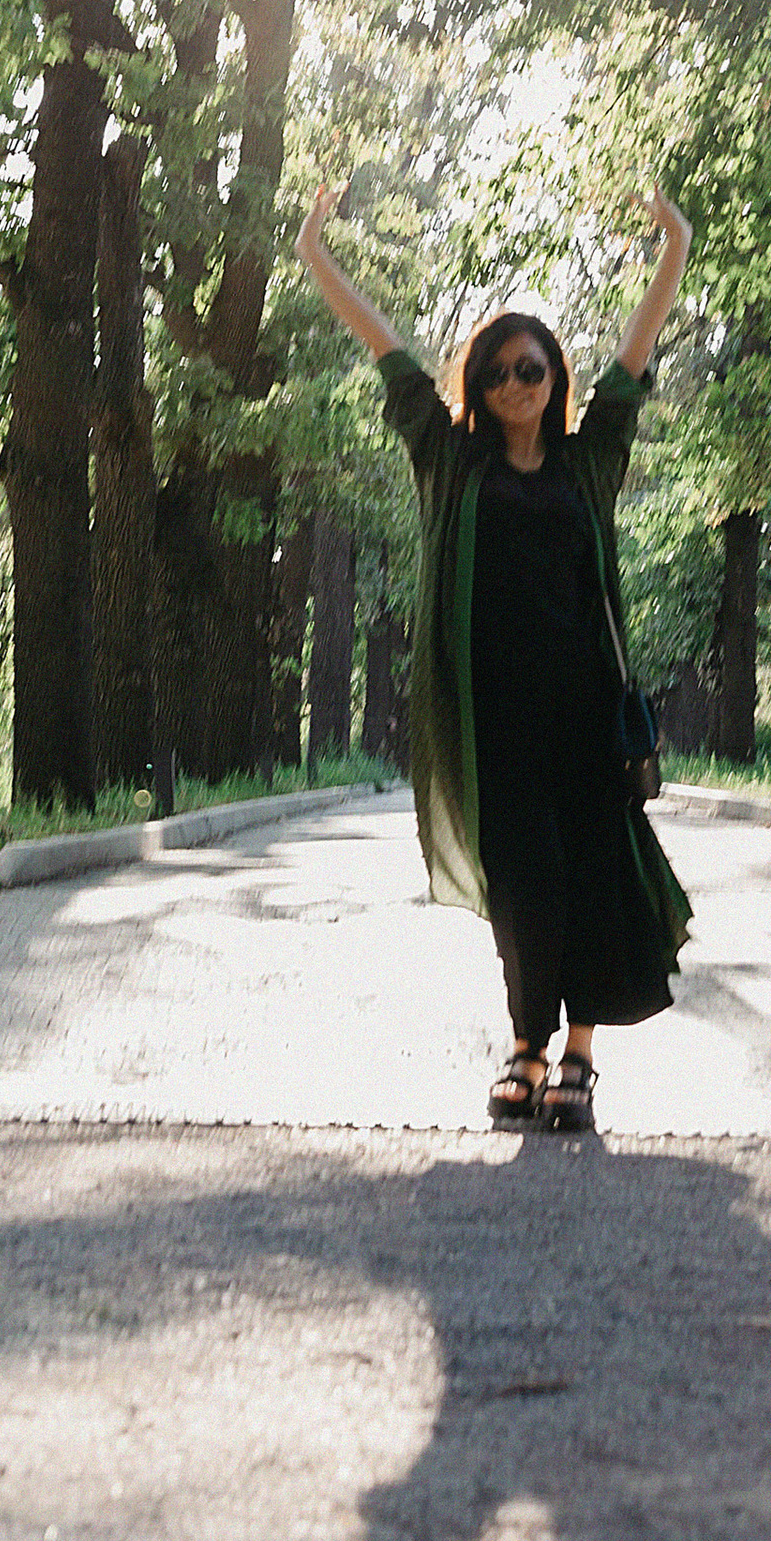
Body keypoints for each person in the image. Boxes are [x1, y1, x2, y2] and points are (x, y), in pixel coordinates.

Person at [296, 179, 695, 1132]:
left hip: (589, 710)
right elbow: (384, 346)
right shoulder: (449, 459)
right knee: (526, 886)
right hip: (495, 716)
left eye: (536, 368)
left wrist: (672, 245)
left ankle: (578, 1060)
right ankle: (524, 1044)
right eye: (502, 371)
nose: (520, 382)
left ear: (556, 378)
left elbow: (636, 351)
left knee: (594, 874)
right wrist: (316, 253)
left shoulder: (590, 457)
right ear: (477, 384)